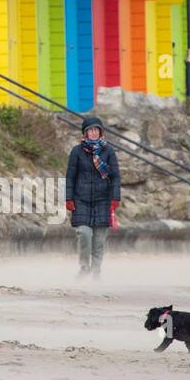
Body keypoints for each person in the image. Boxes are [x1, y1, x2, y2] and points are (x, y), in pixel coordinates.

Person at [65, 116, 121, 279]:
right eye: (90, 130)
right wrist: (69, 198)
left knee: (99, 240)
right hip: (81, 199)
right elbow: (70, 177)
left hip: (103, 200)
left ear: (101, 132)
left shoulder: (109, 151)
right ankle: (84, 267)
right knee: (84, 233)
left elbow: (116, 176)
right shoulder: (76, 151)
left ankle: (96, 271)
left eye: (96, 130)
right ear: (85, 133)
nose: (93, 133)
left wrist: (115, 197)